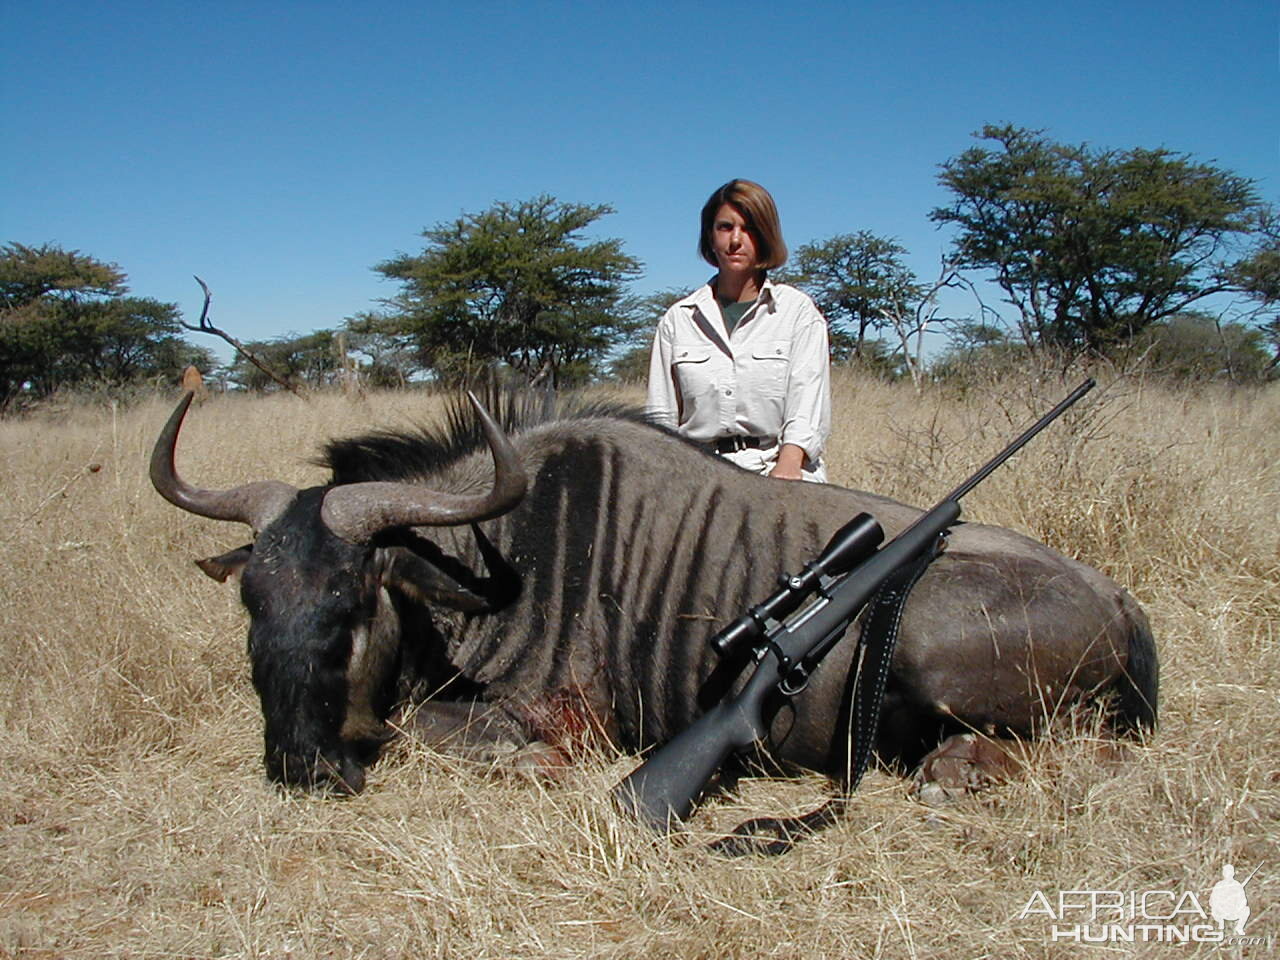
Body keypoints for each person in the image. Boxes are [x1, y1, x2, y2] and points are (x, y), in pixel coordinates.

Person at [646, 179, 831, 482]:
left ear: (766, 236)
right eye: (725, 227)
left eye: (749, 229)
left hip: (779, 469)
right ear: (710, 235)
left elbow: (807, 405)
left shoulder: (798, 313)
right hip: (697, 475)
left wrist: (788, 464)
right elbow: (661, 419)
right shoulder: (678, 320)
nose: (735, 240)